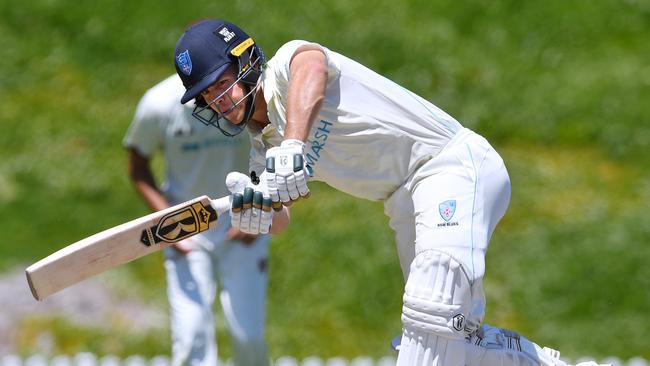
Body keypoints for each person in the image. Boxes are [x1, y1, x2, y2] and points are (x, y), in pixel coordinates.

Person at [171, 19, 611, 366]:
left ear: (246, 61)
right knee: (452, 342)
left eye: (219, 83)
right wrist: (259, 214)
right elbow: (282, 214)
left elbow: (313, 66)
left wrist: (293, 146)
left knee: (431, 298)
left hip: (449, 166)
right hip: (405, 204)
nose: (218, 101)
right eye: (206, 96)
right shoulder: (262, 151)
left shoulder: (288, 68)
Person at [123, 73, 285, 366]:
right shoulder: (159, 103)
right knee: (190, 339)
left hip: (244, 225)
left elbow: (278, 152)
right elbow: (138, 166)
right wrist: (168, 223)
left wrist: (259, 213)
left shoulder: (251, 95)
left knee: (249, 337)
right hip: (187, 229)